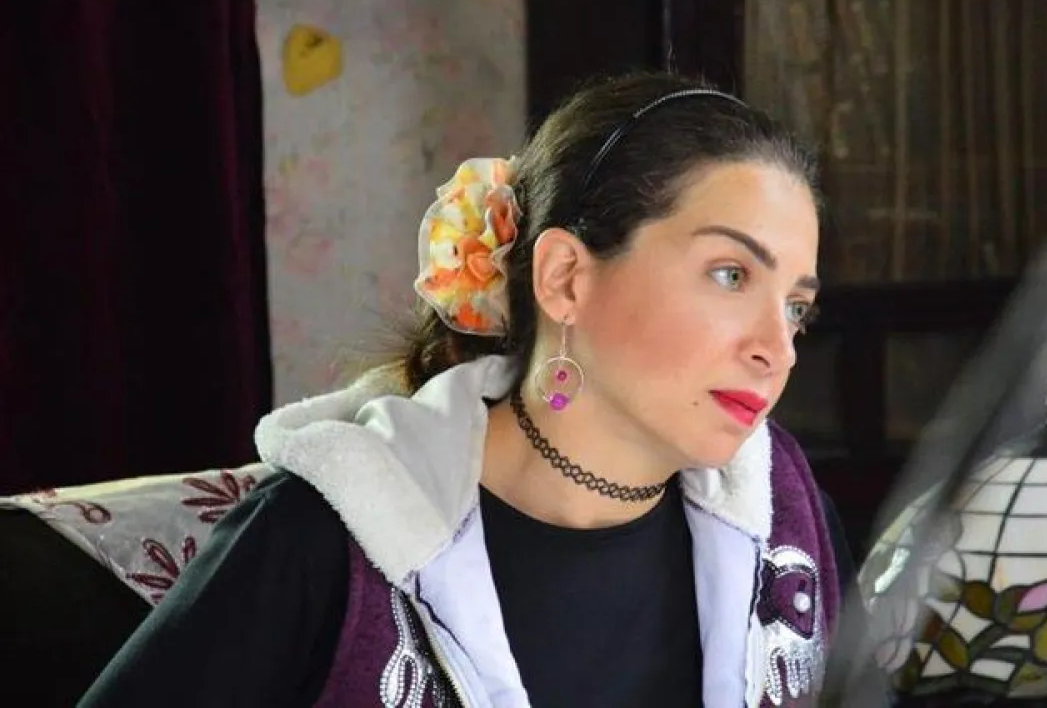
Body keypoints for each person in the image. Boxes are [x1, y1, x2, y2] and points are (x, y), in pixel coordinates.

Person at [80, 71, 862, 708]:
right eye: (730, 275)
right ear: (565, 278)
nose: (776, 349)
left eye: (797, 308)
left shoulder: (788, 517)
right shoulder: (322, 541)